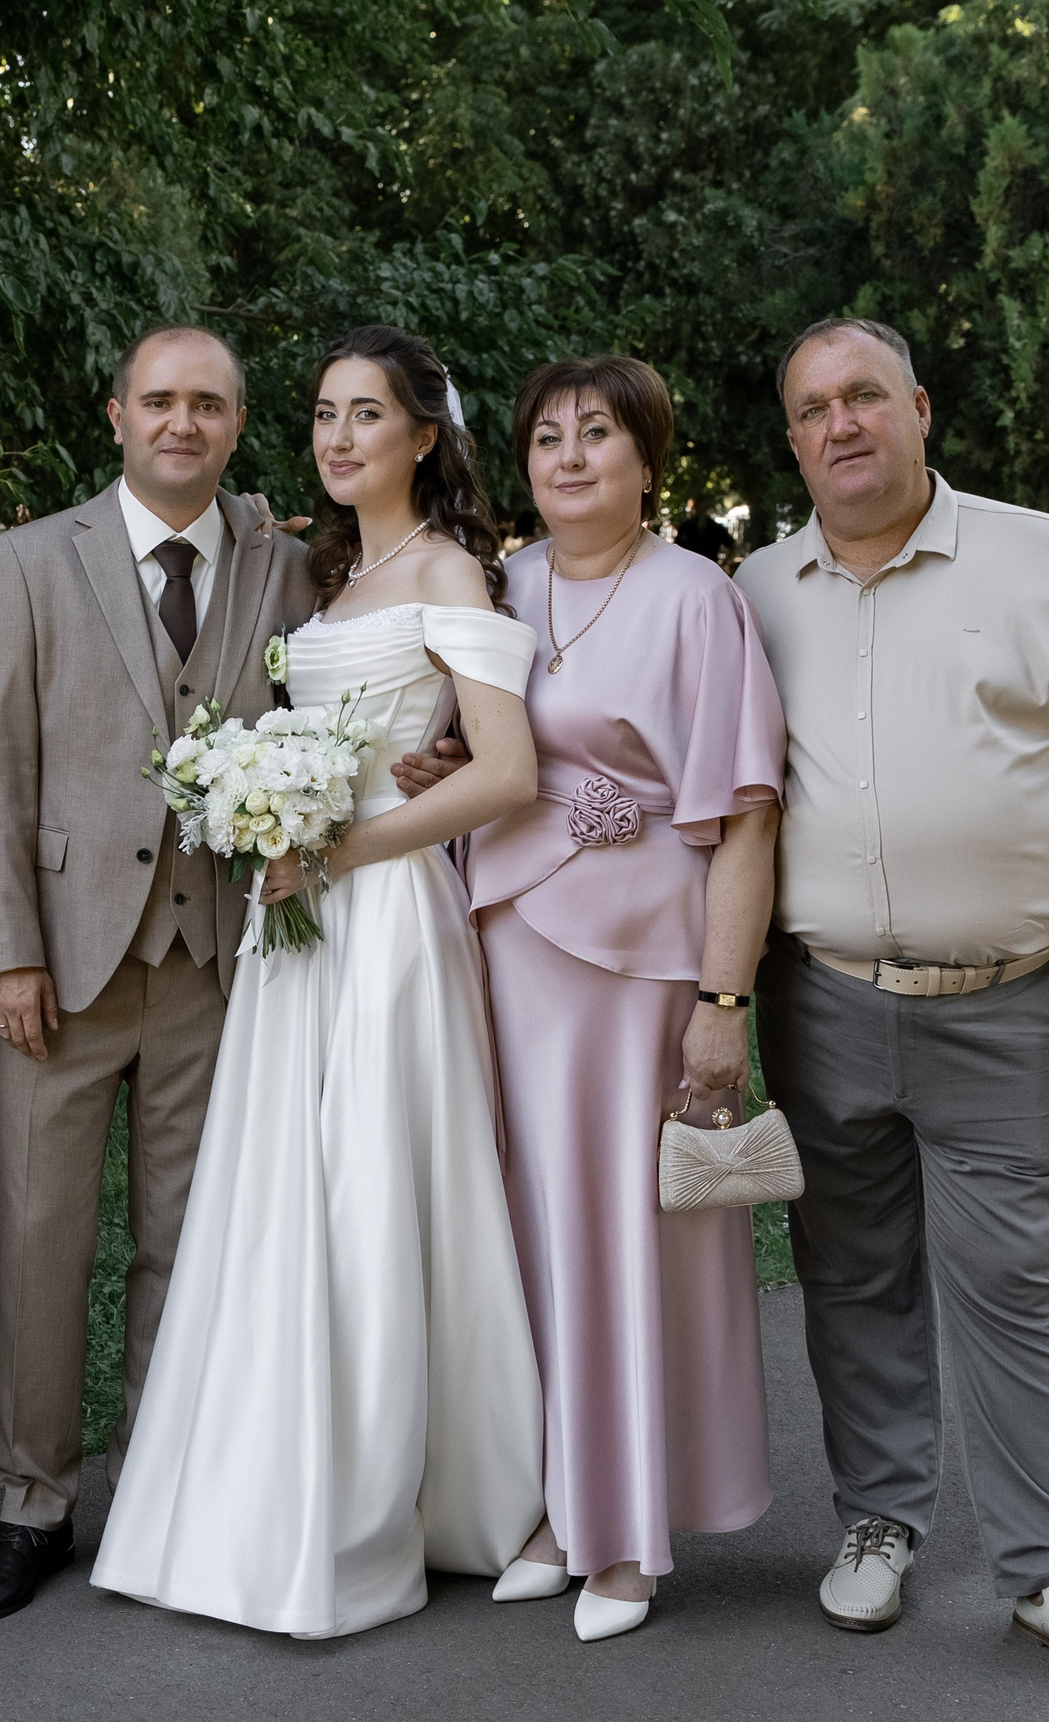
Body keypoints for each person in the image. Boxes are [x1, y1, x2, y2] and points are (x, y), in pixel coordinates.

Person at [737, 317, 1049, 1706]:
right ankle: (882, 1519)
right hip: (821, 1001)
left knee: (1017, 1288)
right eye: (813, 408)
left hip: (1006, 1006)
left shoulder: (1041, 557)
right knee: (854, 1275)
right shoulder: (754, 589)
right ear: (794, 439)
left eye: (865, 394)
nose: (841, 425)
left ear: (920, 410)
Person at [90, 323, 547, 1640]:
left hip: (390, 919)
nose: (341, 437)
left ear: (422, 434)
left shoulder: (451, 573)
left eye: (368, 415)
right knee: (287, 1194)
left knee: (375, 1186)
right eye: (327, 415)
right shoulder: (332, 578)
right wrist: (268, 822)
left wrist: (340, 847)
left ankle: (390, 1503)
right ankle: (262, 1492)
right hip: (303, 922)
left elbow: (504, 772)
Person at [0, 325, 322, 1622]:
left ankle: (167, 1497)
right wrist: (2, 953)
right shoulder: (32, 560)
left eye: (209, 404)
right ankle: (32, 1504)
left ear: (234, 425)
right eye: (161, 400)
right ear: (117, 415)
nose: (184, 421)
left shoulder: (281, 564)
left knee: (189, 1245)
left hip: (213, 963)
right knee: (46, 1241)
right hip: (59, 967)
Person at [466, 357, 786, 1642]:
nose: (570, 456)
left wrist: (725, 996)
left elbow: (746, 816)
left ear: (648, 459)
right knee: (531, 1226)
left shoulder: (694, 598)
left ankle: (630, 1536)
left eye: (599, 434)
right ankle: (558, 1503)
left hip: (643, 958)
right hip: (506, 941)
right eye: (546, 436)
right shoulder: (501, 585)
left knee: (630, 1234)